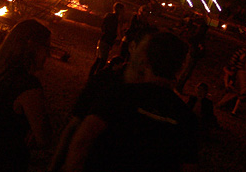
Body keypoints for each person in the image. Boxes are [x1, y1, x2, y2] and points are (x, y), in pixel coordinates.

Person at [61, 31, 199, 172]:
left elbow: (82, 141)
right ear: (180, 67)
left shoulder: (119, 95)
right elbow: (189, 166)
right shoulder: (187, 119)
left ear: (147, 60)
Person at [48, 26, 158, 172]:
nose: (149, 58)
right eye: (146, 50)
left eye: (155, 54)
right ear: (132, 47)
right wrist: (54, 166)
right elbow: (74, 125)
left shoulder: (154, 95)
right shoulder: (104, 81)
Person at [0, 19, 52, 172]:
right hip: (6, 162)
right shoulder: (27, 86)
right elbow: (45, 137)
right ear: (31, 46)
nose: (49, 54)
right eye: (46, 48)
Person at [216, 37, 246, 116]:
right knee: (236, 92)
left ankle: (227, 106)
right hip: (239, 74)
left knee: (238, 92)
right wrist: (231, 71)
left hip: (244, 76)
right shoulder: (243, 53)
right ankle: (223, 104)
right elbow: (232, 64)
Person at [88, 2, 125, 77]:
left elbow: (104, 27)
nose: (123, 12)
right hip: (106, 41)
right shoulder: (114, 18)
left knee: (98, 60)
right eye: (122, 10)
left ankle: (91, 76)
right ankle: (96, 76)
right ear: (118, 9)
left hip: (104, 40)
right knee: (102, 61)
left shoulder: (111, 16)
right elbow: (110, 29)